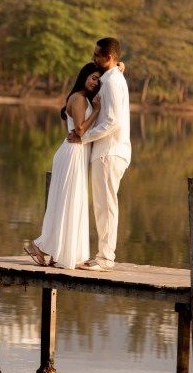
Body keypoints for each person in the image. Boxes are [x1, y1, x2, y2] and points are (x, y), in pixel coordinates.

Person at [23, 62, 101, 271]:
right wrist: (97, 111)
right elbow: (80, 130)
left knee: (69, 203)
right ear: (84, 76)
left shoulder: (84, 99)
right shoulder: (78, 98)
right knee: (69, 202)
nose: (95, 82)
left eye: (98, 80)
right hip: (72, 154)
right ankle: (42, 245)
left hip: (77, 154)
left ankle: (52, 249)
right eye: (93, 78)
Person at [70, 37, 131, 270]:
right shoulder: (112, 77)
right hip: (109, 151)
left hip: (109, 151)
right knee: (103, 205)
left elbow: (113, 121)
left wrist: (83, 137)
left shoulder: (113, 81)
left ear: (109, 58)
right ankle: (103, 256)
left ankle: (105, 258)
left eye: (97, 55)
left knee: (105, 206)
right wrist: (120, 67)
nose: (93, 58)